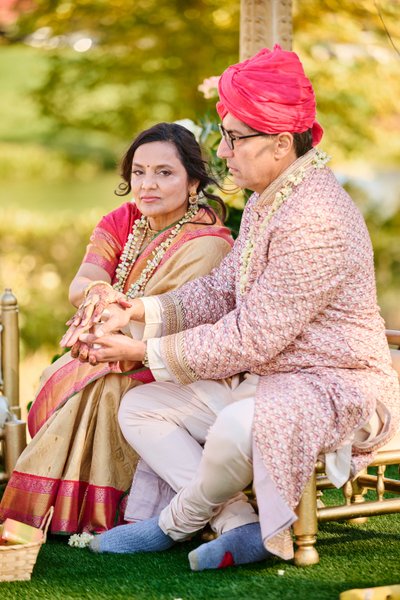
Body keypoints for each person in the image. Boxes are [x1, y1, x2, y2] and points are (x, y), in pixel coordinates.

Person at [70, 46, 399, 568]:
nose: (222, 152)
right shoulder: (275, 196)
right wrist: (133, 309)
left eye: (234, 138)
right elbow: (219, 291)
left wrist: (140, 348)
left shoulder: (315, 216)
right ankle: (241, 525)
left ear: (281, 143)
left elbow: (252, 337)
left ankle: (173, 522)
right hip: (270, 378)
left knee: (232, 428)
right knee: (142, 406)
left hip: (334, 384)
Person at [0, 122, 233, 534]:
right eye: (139, 172)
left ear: (193, 180)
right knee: (64, 371)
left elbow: (188, 320)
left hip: (173, 362)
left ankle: (109, 510)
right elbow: (82, 283)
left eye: (164, 173)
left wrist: (117, 338)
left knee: (106, 387)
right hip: (113, 343)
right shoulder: (125, 219)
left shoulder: (208, 242)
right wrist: (100, 297)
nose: (148, 184)